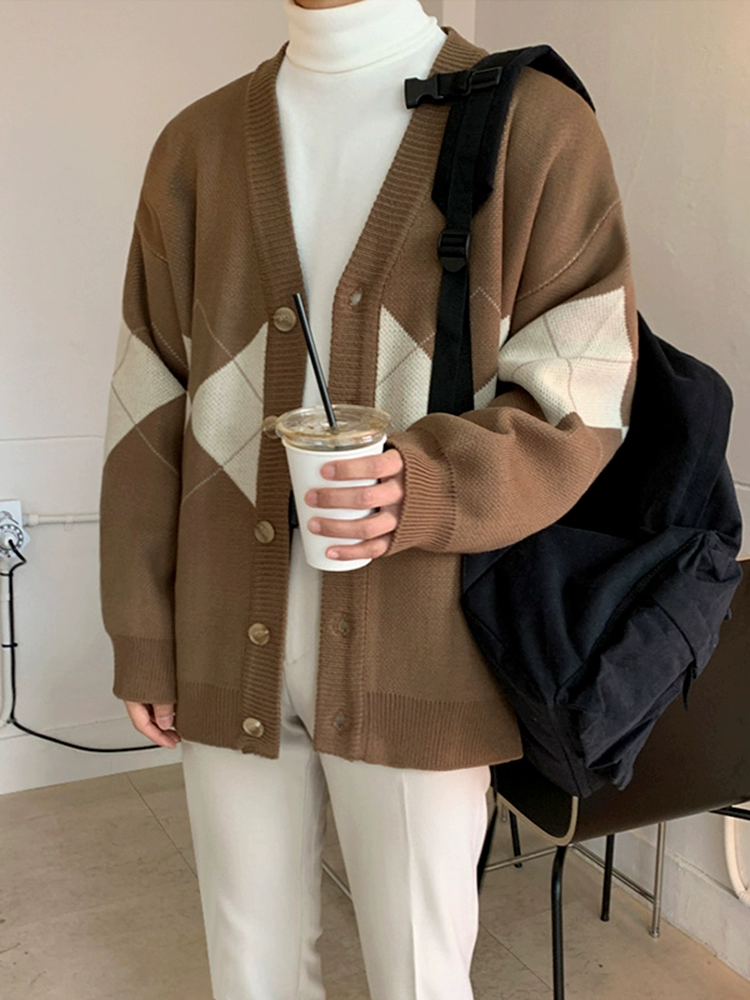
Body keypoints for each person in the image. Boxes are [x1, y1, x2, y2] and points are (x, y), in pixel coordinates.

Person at [98, 0, 638, 997]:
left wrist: (427, 482)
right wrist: (141, 623)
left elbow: (585, 388)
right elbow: (148, 403)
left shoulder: (533, 123)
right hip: (223, 632)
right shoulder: (196, 148)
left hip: (423, 644)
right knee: (251, 975)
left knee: (420, 977)